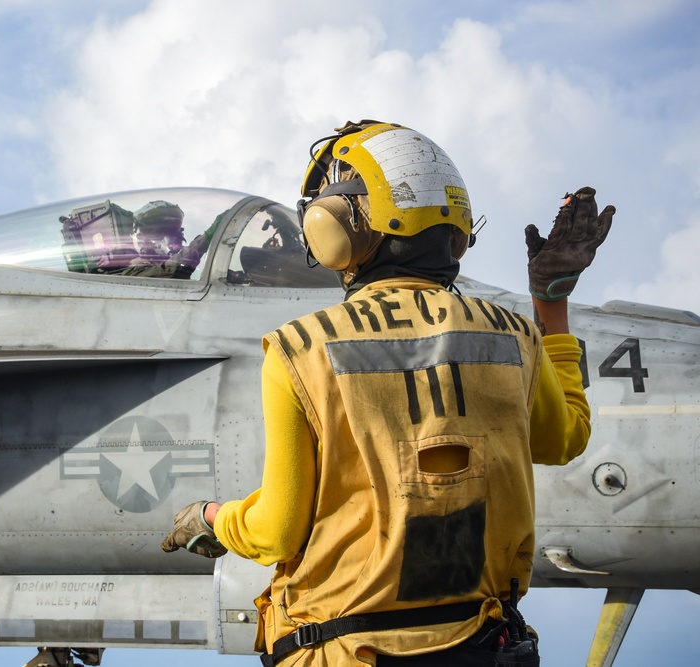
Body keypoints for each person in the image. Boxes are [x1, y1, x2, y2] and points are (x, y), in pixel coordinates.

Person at [161, 120, 614, 666]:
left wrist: (210, 518)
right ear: (456, 231)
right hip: (480, 648)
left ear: (341, 230)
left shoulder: (299, 348)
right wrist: (551, 302)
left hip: (346, 651)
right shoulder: (513, 333)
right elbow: (565, 438)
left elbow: (277, 531)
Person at [115, 200, 218, 279]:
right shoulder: (132, 272)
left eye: (172, 233)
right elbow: (174, 269)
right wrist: (207, 237)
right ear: (140, 237)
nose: (169, 240)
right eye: (159, 234)